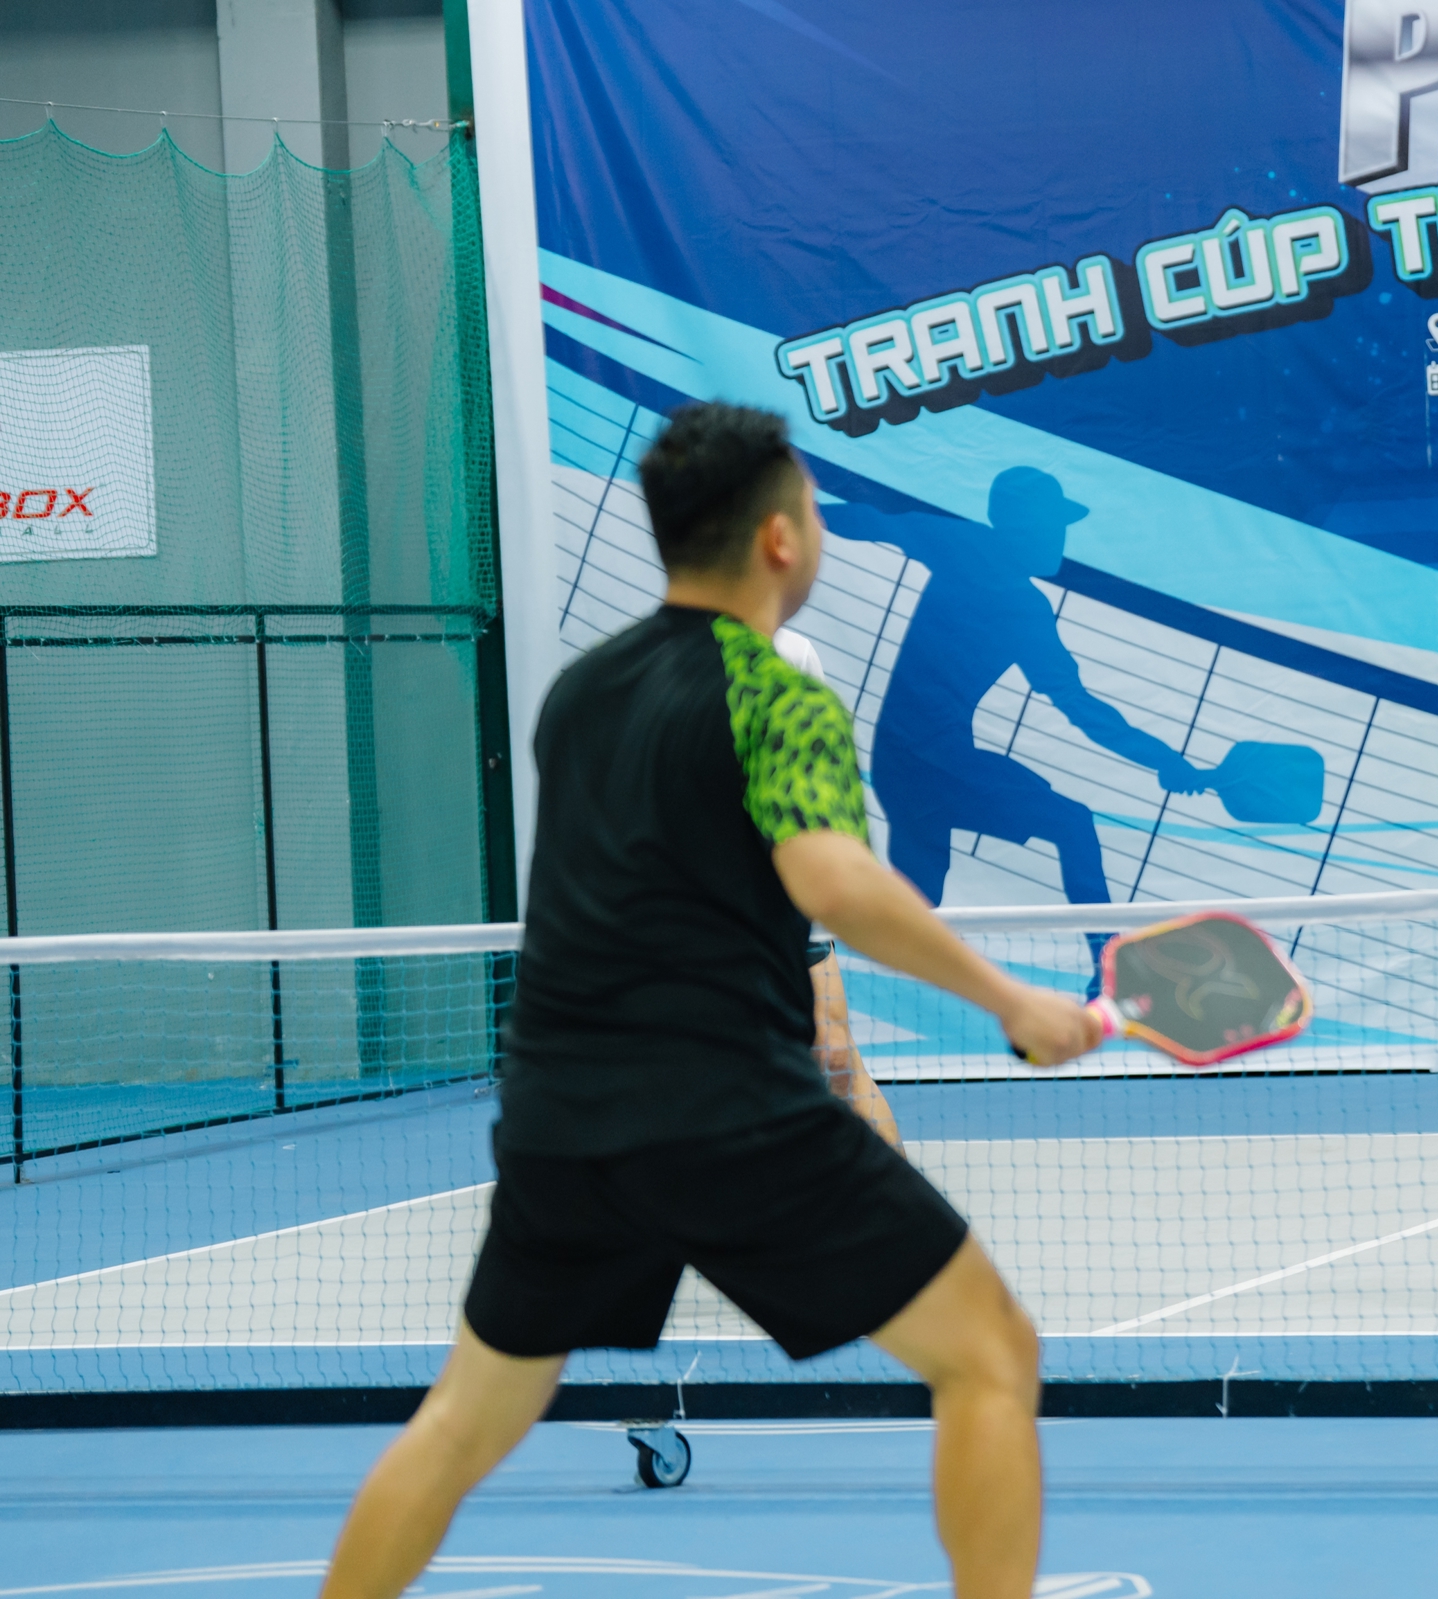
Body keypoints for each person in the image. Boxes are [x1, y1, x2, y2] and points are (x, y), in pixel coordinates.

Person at [318, 403, 1101, 1599]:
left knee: (460, 1427)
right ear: (780, 538)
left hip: (559, 1124)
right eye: (812, 512)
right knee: (992, 1354)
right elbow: (831, 879)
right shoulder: (778, 693)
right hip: (724, 1114)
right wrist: (1014, 1002)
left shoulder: (583, 692)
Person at [821, 469, 1204, 990]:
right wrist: (1165, 761)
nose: (1060, 539)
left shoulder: (972, 557)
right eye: (1054, 526)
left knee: (917, 908)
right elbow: (1082, 709)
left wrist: (786, 515)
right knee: (1072, 824)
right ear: (1024, 526)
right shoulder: (1010, 593)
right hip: (932, 764)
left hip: (910, 763)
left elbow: (870, 520)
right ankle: (1110, 971)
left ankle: (795, 929)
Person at [774, 625, 901, 1147]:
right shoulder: (652, 667)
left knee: (835, 1057)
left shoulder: (792, 652)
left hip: (782, 895)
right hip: (692, 913)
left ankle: (899, 1195)